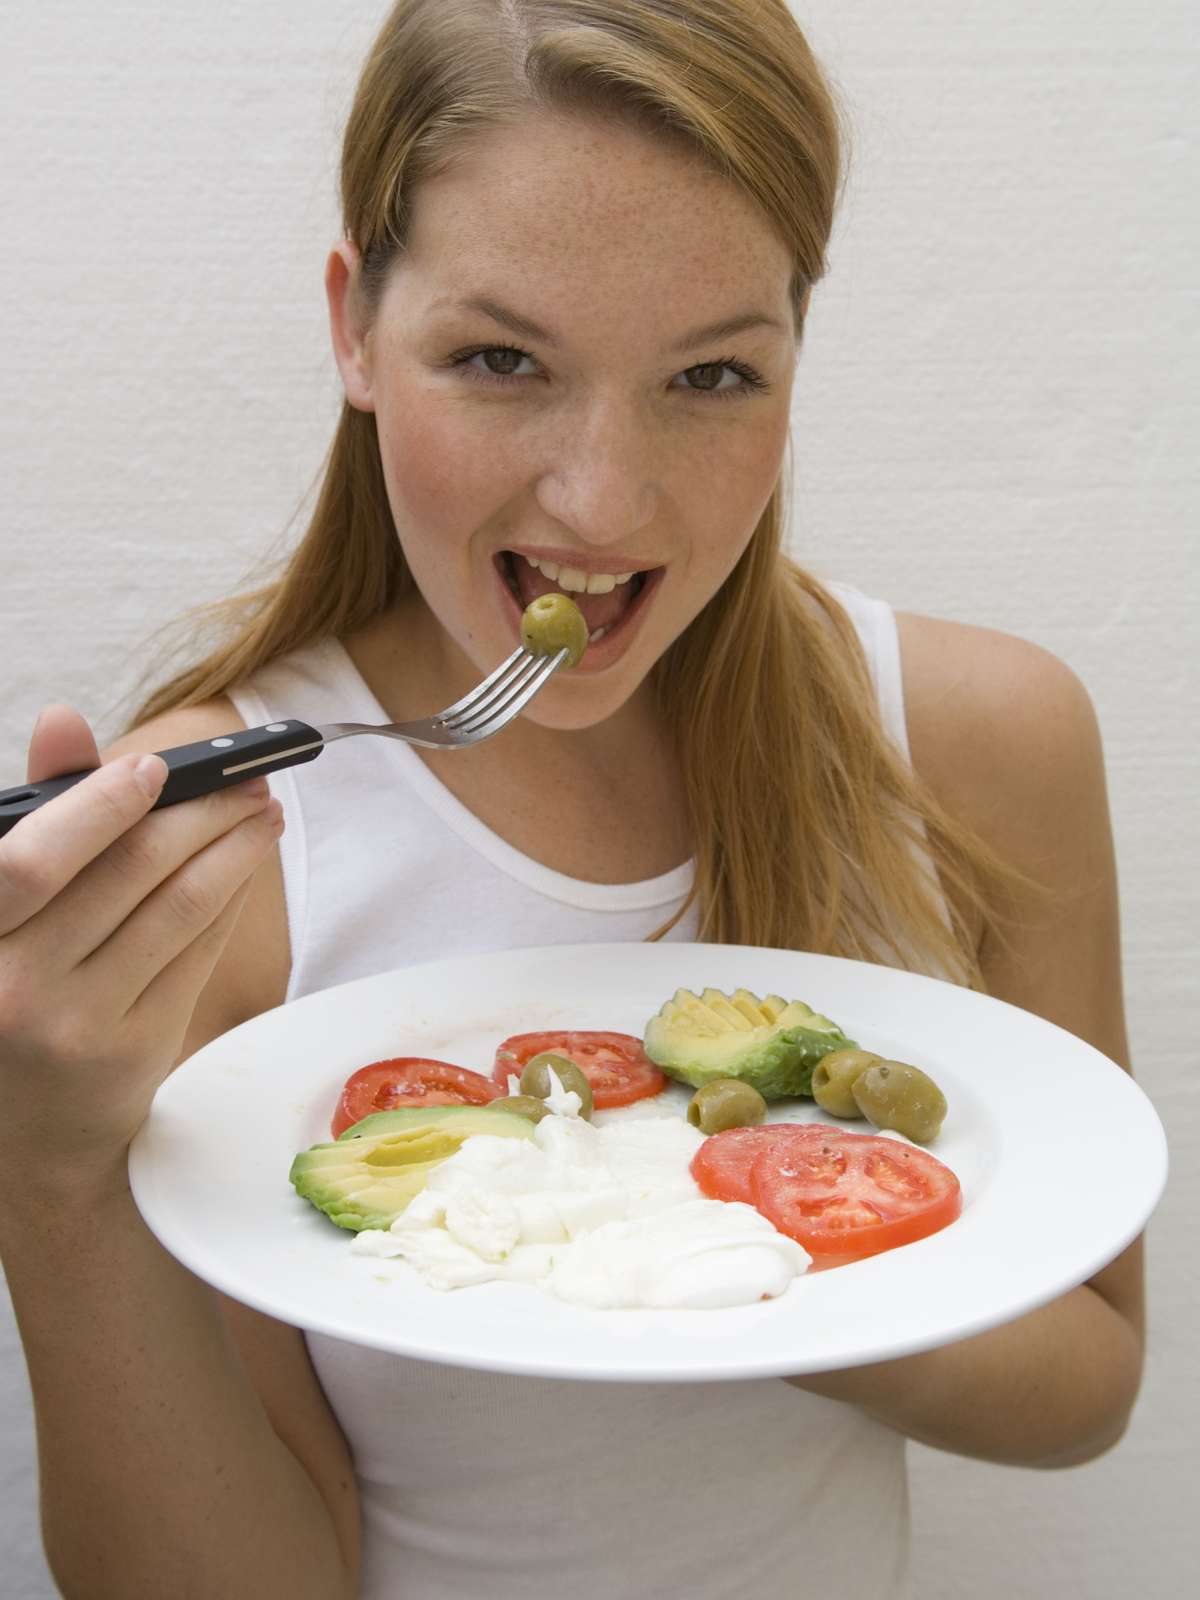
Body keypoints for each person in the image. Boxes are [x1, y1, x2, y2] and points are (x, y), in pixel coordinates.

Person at [0, 2, 1144, 1597]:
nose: (602, 499)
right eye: (498, 359)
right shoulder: (233, 859)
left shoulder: (984, 739)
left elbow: (1088, 1383)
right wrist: (46, 1176)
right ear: (355, 328)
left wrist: (704, 1223)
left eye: (712, 374)